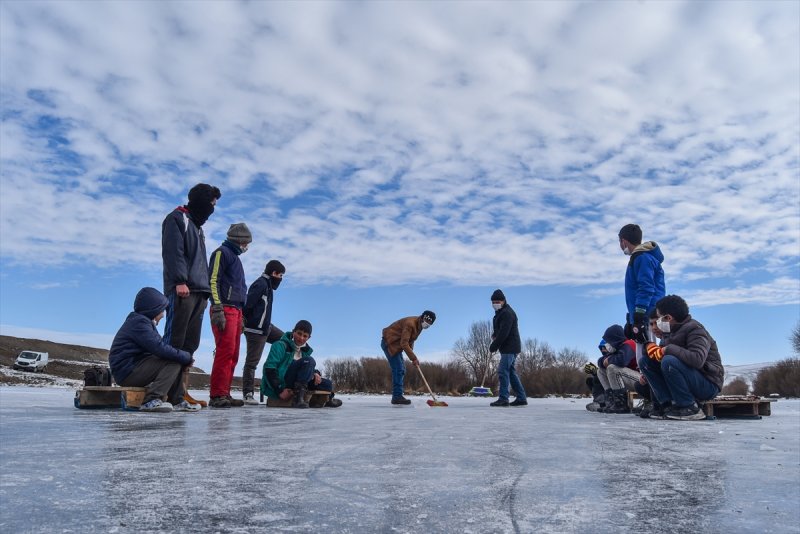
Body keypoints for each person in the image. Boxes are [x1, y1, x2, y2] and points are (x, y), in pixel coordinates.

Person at [162, 183, 221, 407]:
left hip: (199, 292)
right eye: (211, 204)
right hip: (184, 290)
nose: (212, 209)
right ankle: (164, 392)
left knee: (190, 344)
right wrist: (180, 280)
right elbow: (173, 251)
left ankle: (179, 393)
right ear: (201, 201)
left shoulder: (197, 228)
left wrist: (206, 293)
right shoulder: (177, 219)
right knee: (174, 342)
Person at [109, 287, 199, 413]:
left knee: (174, 359)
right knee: (173, 361)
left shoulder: (142, 322)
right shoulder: (139, 323)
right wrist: (186, 357)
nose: (163, 314)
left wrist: (182, 357)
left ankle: (177, 401)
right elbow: (159, 348)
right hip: (127, 371)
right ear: (152, 309)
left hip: (134, 367)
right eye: (161, 310)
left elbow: (159, 347)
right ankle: (151, 400)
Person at [638, 295, 724, 421]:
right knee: (645, 362)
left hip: (707, 383)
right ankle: (666, 405)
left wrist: (668, 349)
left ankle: (689, 407)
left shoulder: (695, 329)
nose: (657, 324)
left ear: (668, 318)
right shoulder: (668, 333)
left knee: (669, 361)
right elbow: (658, 359)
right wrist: (648, 349)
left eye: (659, 318)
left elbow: (697, 359)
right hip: (690, 379)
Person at [208, 223, 252, 408]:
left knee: (233, 354)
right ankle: (217, 394)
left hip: (236, 310)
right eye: (246, 242)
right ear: (239, 240)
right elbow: (213, 280)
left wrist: (241, 315)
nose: (247, 246)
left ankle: (224, 392)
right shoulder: (222, 253)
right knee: (224, 352)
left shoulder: (236, 258)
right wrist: (217, 307)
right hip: (224, 309)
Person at [260, 320, 342, 408]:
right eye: (299, 333)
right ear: (293, 331)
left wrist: (315, 373)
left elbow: (306, 367)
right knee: (309, 360)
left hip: (299, 381)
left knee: (327, 383)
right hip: (283, 382)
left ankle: (326, 400)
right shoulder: (279, 345)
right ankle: (298, 399)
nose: (301, 338)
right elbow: (269, 369)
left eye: (305, 336)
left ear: (309, 338)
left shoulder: (304, 352)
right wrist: (279, 390)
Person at [618, 223, 666, 361]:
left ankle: (648, 375)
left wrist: (639, 314)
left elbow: (646, 287)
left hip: (648, 314)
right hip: (644, 313)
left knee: (646, 355)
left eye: (620, 242)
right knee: (643, 353)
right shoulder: (641, 257)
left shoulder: (642, 258)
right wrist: (631, 318)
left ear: (623, 241)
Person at [241, 260, 286, 405]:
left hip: (266, 327)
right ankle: (248, 394)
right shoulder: (260, 284)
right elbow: (247, 305)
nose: (281, 278)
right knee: (252, 362)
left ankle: (280, 378)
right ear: (274, 273)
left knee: (287, 340)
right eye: (280, 275)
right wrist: (244, 322)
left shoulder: (268, 285)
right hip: (255, 330)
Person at [380, 310, 436, 405]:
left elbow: (411, 340)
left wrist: (412, 356)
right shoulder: (410, 324)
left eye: (430, 323)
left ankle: (398, 395)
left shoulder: (419, 326)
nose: (427, 324)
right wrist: (413, 358)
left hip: (397, 345)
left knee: (402, 369)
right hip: (389, 343)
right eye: (427, 320)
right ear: (423, 317)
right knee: (398, 369)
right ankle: (397, 397)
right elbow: (404, 343)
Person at [489, 289, 527, 407]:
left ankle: (503, 398)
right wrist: (495, 334)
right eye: (493, 302)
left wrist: (494, 345)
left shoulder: (507, 313)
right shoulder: (501, 312)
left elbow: (504, 332)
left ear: (503, 301)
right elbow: (501, 329)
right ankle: (521, 398)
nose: (495, 304)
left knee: (503, 370)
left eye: (498, 301)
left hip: (510, 346)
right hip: (509, 347)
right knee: (511, 372)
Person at [595, 324, 639, 414]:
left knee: (612, 368)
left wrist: (609, 360)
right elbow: (600, 361)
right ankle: (611, 401)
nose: (607, 344)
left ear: (615, 339)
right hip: (629, 379)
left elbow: (622, 360)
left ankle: (621, 404)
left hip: (641, 380)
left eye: (609, 341)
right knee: (600, 371)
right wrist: (606, 360)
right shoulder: (617, 349)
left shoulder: (629, 344)